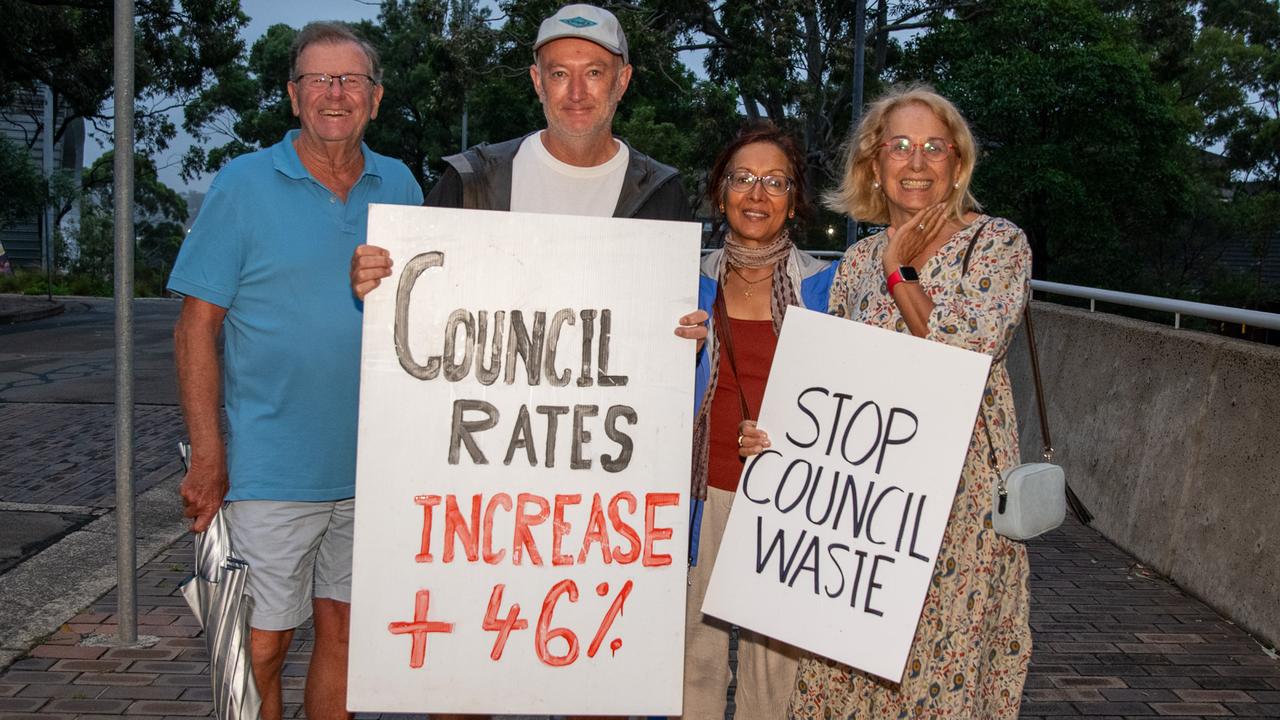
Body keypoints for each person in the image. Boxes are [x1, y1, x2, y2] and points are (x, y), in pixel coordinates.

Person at [167, 22, 423, 720]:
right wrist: (210, 454)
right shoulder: (243, 185)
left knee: (346, 636)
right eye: (318, 79)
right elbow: (196, 327)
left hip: (374, 465)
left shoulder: (399, 183)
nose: (334, 93)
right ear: (293, 95)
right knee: (261, 646)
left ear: (374, 98)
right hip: (271, 469)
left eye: (350, 81)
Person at [783, 84, 1033, 717]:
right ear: (874, 163)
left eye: (933, 147)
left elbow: (968, 347)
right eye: (899, 146)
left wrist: (901, 272)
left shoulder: (997, 244)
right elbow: (833, 377)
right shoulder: (859, 258)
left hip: (960, 497)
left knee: (937, 666)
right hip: (867, 503)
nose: (916, 163)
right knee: (850, 657)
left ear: (956, 163)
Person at [349, 2, 690, 299]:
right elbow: (415, 291)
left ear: (622, 81)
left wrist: (690, 335)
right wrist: (378, 278)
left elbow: (673, 320)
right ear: (538, 81)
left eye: (594, 73)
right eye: (559, 74)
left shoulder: (662, 193)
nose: (576, 92)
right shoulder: (473, 181)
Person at [680, 124, 836, 720]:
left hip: (789, 501)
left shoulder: (824, 287)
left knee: (777, 671)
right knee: (694, 658)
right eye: (742, 179)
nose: (756, 194)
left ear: (794, 201)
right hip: (703, 491)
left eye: (775, 182)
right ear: (720, 193)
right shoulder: (682, 279)